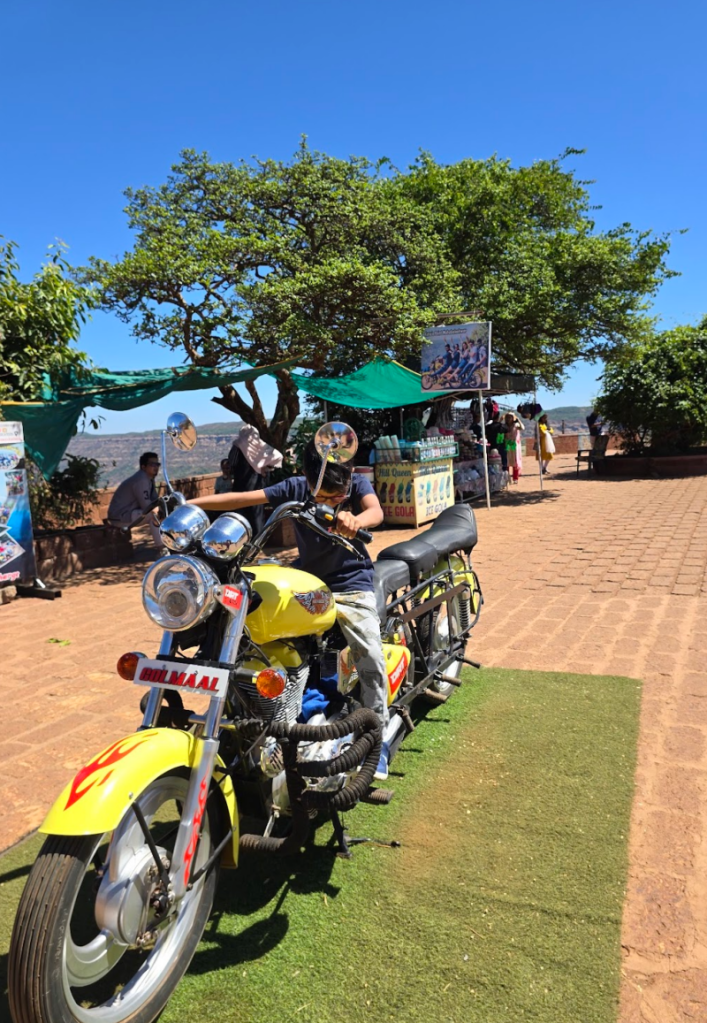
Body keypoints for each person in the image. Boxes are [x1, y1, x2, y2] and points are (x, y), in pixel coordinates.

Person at [188, 441, 393, 780]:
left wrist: (355, 519)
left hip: (351, 583)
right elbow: (241, 498)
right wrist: (189, 504)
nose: (328, 502)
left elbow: (376, 511)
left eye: (335, 497)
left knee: (370, 653)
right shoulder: (295, 488)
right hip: (308, 581)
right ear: (306, 478)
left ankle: (376, 737)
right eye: (321, 496)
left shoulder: (356, 485)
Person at [226, 425, 283, 535]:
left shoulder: (238, 446)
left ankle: (242, 537)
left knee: (240, 512)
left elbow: (232, 463)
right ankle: (258, 539)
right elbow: (277, 456)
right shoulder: (261, 446)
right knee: (257, 512)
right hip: (258, 485)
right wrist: (265, 468)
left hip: (241, 485)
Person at [107, 452, 162, 547]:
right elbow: (147, 507)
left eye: (157, 464)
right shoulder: (141, 479)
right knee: (154, 515)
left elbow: (155, 500)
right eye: (152, 464)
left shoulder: (149, 479)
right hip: (120, 516)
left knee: (162, 512)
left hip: (128, 513)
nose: (155, 467)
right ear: (143, 467)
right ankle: (162, 548)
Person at [504, 412, 525, 483]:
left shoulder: (516, 425)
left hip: (514, 445)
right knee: (507, 460)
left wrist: (518, 420)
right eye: (508, 417)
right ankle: (506, 477)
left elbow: (522, 427)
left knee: (515, 461)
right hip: (507, 444)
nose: (509, 418)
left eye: (510, 417)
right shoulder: (504, 426)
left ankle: (515, 478)